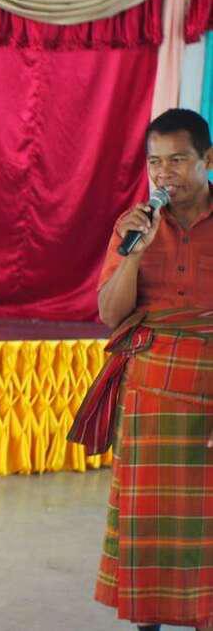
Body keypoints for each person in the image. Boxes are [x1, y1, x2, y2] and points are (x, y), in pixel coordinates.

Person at [90, 108, 213, 631]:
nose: (165, 174)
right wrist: (134, 255)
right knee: (147, 524)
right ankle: (148, 622)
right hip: (149, 390)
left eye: (178, 160)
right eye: (155, 162)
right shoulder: (133, 226)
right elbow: (110, 314)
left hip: (208, 388)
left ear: (208, 160)